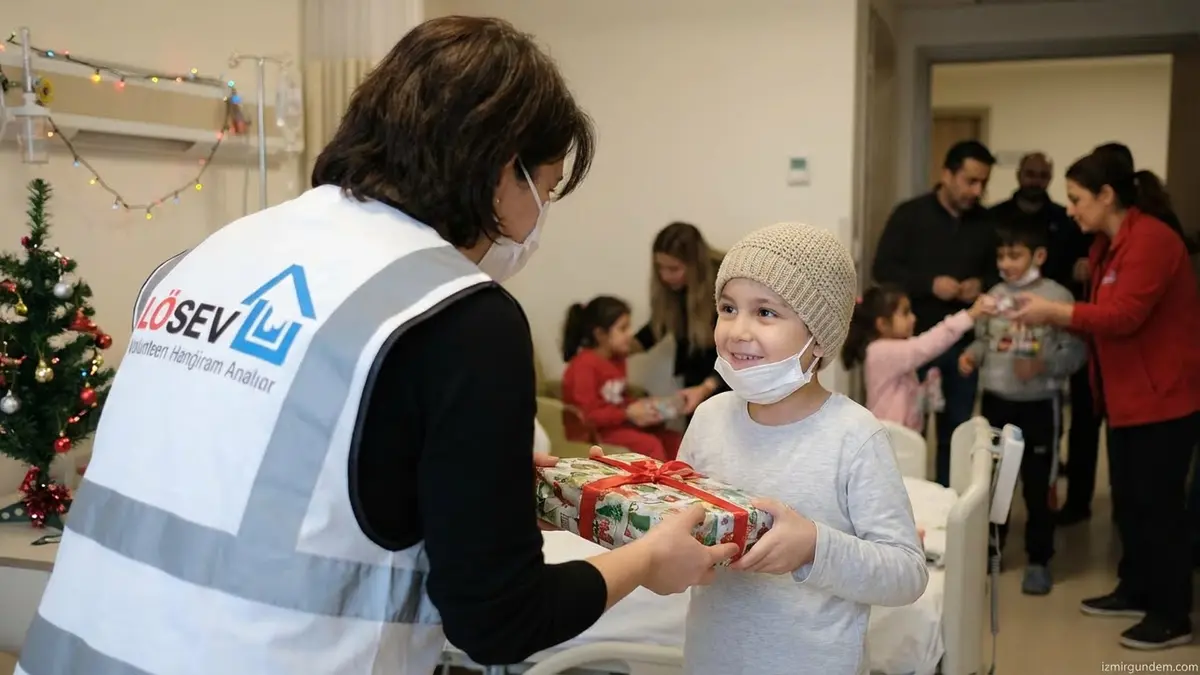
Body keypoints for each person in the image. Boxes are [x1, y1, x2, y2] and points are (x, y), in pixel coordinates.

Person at [14, 17, 739, 675]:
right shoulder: (460, 316)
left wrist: (469, 475)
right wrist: (646, 560)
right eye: (544, 187)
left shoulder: (209, 255)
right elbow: (499, 619)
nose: (537, 217)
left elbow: (268, 466)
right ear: (500, 168)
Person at [680, 222, 928, 675]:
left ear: (820, 335)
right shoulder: (708, 419)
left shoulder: (854, 436)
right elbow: (680, 526)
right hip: (711, 660)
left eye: (766, 313)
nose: (738, 330)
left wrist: (815, 547)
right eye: (728, 308)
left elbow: (906, 573)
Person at [1010, 149, 1200, 650]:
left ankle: (1172, 613)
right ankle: (1136, 589)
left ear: (1106, 195)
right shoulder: (1107, 244)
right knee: (1131, 504)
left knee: (1160, 508)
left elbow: (1122, 317)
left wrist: (1055, 312)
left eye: (1076, 199)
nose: (1069, 209)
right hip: (1123, 395)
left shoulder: (1152, 240)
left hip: (1164, 397)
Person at [958, 222, 1086, 596]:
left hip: (1039, 406)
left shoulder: (1056, 296)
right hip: (997, 401)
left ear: (1039, 256)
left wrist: (1043, 365)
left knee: (1037, 484)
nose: (1006, 263)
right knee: (995, 481)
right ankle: (990, 551)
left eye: (1015, 255)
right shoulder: (994, 295)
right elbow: (985, 340)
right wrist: (973, 355)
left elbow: (1078, 351)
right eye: (1001, 256)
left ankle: (1038, 559)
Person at [872, 139, 1000, 487]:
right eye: (970, 180)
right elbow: (882, 269)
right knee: (906, 432)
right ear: (947, 174)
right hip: (912, 345)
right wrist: (930, 284)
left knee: (957, 434)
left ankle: (951, 507)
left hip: (962, 348)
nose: (977, 190)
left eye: (983, 183)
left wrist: (980, 285)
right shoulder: (910, 215)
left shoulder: (987, 224)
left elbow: (1000, 275)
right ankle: (906, 503)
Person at [842, 283, 995, 432]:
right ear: (882, 324)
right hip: (889, 436)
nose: (913, 318)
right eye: (905, 313)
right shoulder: (880, 351)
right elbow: (925, 346)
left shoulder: (896, 349)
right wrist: (969, 316)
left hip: (900, 436)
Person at [561, 295, 684, 461]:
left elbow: (618, 399)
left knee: (674, 440)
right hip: (595, 434)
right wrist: (627, 413)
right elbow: (587, 415)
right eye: (623, 328)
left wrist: (645, 407)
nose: (630, 334)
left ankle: (680, 483)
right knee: (649, 444)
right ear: (600, 335)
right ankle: (657, 484)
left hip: (619, 425)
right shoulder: (584, 366)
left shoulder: (617, 360)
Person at [632, 222, 726, 416]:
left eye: (673, 269)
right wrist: (619, 345)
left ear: (695, 265)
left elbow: (735, 353)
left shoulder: (724, 286)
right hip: (694, 379)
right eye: (660, 268)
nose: (665, 276)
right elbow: (658, 327)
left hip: (726, 383)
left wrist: (707, 387)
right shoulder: (675, 291)